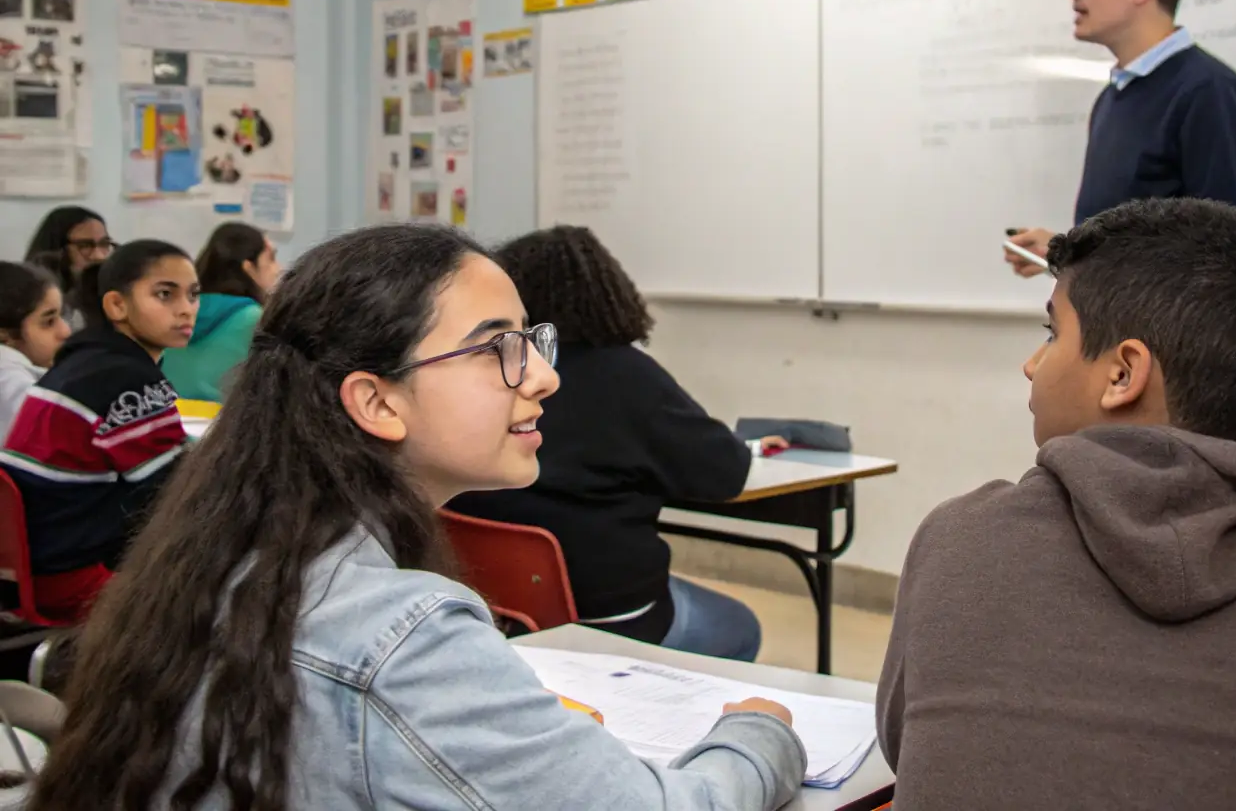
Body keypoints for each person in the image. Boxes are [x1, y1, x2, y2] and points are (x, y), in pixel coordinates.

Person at [25, 223, 806, 811]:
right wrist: (759, 728)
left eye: (532, 341)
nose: (542, 377)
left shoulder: (215, 559)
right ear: (375, 401)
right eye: (498, 348)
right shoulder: (400, 637)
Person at [880, 198, 1236, 808]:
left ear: (1122, 375)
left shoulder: (959, 539)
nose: (1031, 365)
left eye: (1052, 334)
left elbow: (906, 749)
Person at [455, 226, 784, 661]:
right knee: (739, 626)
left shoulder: (485, 375)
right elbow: (725, 473)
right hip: (614, 619)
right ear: (607, 292)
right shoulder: (627, 376)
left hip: (497, 611)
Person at [1005, 0, 1236, 278]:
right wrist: (1066, 253)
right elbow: (1135, 246)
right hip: (1113, 316)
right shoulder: (1112, 97)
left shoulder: (1210, 94)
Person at [0, 240, 197, 621]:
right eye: (164, 294)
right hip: (79, 579)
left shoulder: (83, 362)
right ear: (117, 305)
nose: (185, 308)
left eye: (193, 294)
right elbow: (180, 493)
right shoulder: (126, 379)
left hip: (39, 570)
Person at [162, 222, 280, 402]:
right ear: (248, 268)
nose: (278, 269)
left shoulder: (175, 311)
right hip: (226, 417)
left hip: (171, 414)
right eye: (271, 259)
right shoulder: (253, 318)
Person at [0, 262, 71, 440]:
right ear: (5, 335)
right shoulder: (10, 382)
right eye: (49, 322)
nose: (65, 331)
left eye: (61, 316)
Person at [22, 206, 115, 325]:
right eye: (85, 245)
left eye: (104, 244)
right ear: (57, 248)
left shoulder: (114, 295)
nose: (99, 256)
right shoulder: (31, 301)